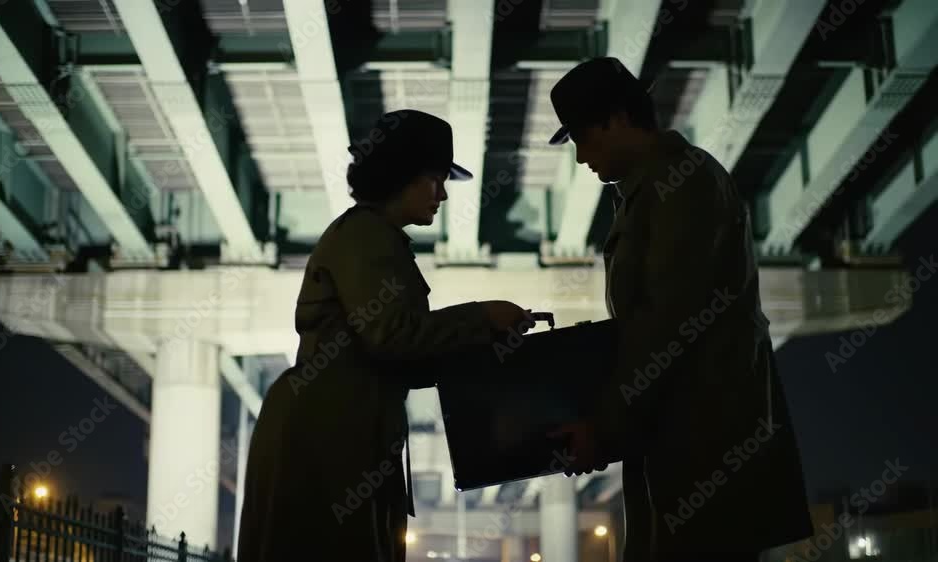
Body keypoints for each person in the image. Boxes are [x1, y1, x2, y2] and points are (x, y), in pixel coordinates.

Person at [545, 58, 814, 562]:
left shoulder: (681, 182)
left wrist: (603, 428)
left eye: (583, 137)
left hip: (705, 454)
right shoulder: (654, 188)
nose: (580, 157)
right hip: (685, 444)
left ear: (617, 118)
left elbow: (666, 324)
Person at [235, 109, 532, 562]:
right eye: (435, 179)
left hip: (339, 428)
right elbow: (392, 336)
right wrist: (482, 318)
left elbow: (401, 354)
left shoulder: (373, 236)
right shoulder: (367, 235)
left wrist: (489, 335)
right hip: (328, 434)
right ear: (401, 175)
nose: (443, 194)